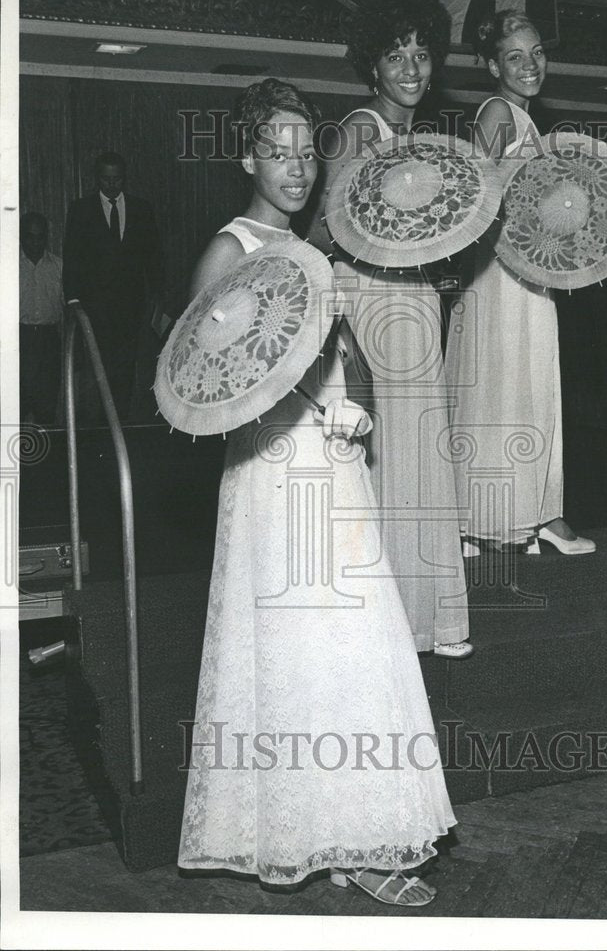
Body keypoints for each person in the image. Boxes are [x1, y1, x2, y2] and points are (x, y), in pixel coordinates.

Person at [177, 79, 455, 907]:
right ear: (247, 157)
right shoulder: (228, 252)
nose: (296, 169)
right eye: (279, 152)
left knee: (358, 642)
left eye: (306, 153)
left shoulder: (319, 251)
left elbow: (349, 355)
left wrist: (355, 401)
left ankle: (360, 830)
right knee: (300, 653)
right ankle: (321, 835)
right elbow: (204, 380)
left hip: (335, 462)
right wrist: (309, 406)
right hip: (271, 473)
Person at [315, 0, 473, 659]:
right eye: (394, 55)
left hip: (413, 304)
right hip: (373, 306)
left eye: (421, 53)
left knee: (418, 458)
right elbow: (325, 229)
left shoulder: (423, 138)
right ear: (370, 66)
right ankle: (383, 625)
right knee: (389, 462)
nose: (410, 68)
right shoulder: (358, 130)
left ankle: (424, 619)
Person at [445, 10, 596, 556]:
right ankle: (485, 522)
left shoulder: (528, 121)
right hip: (498, 277)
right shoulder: (498, 113)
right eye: (515, 56)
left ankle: (536, 515)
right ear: (492, 65)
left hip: (530, 272)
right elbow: (472, 198)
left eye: (536, 52)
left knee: (533, 388)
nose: (530, 64)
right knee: (499, 391)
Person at [62, 151, 163, 420]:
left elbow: (153, 257)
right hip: (94, 309)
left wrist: (157, 296)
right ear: (97, 178)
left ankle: (121, 422)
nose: (111, 185)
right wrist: (72, 299)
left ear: (124, 178)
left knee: (127, 367)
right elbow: (72, 257)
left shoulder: (141, 209)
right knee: (98, 366)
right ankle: (100, 426)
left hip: (132, 307)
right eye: (106, 179)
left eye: (117, 179)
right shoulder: (80, 210)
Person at [19, 212, 63, 424]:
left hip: (48, 342)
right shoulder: (9, 266)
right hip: (19, 340)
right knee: (16, 402)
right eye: (30, 236)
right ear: (21, 236)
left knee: (47, 404)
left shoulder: (59, 267)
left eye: (40, 237)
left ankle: (50, 455)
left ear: (46, 237)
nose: (35, 242)